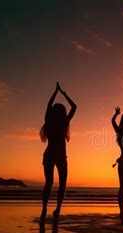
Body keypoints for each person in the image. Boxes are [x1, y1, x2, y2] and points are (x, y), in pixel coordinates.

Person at [40, 82, 77, 224]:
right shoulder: (64, 122)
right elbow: (74, 107)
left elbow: (48, 106)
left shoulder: (49, 121)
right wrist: (64, 94)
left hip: (49, 154)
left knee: (48, 183)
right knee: (62, 184)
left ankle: (44, 208)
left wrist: (55, 92)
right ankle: (58, 209)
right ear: (63, 113)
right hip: (60, 155)